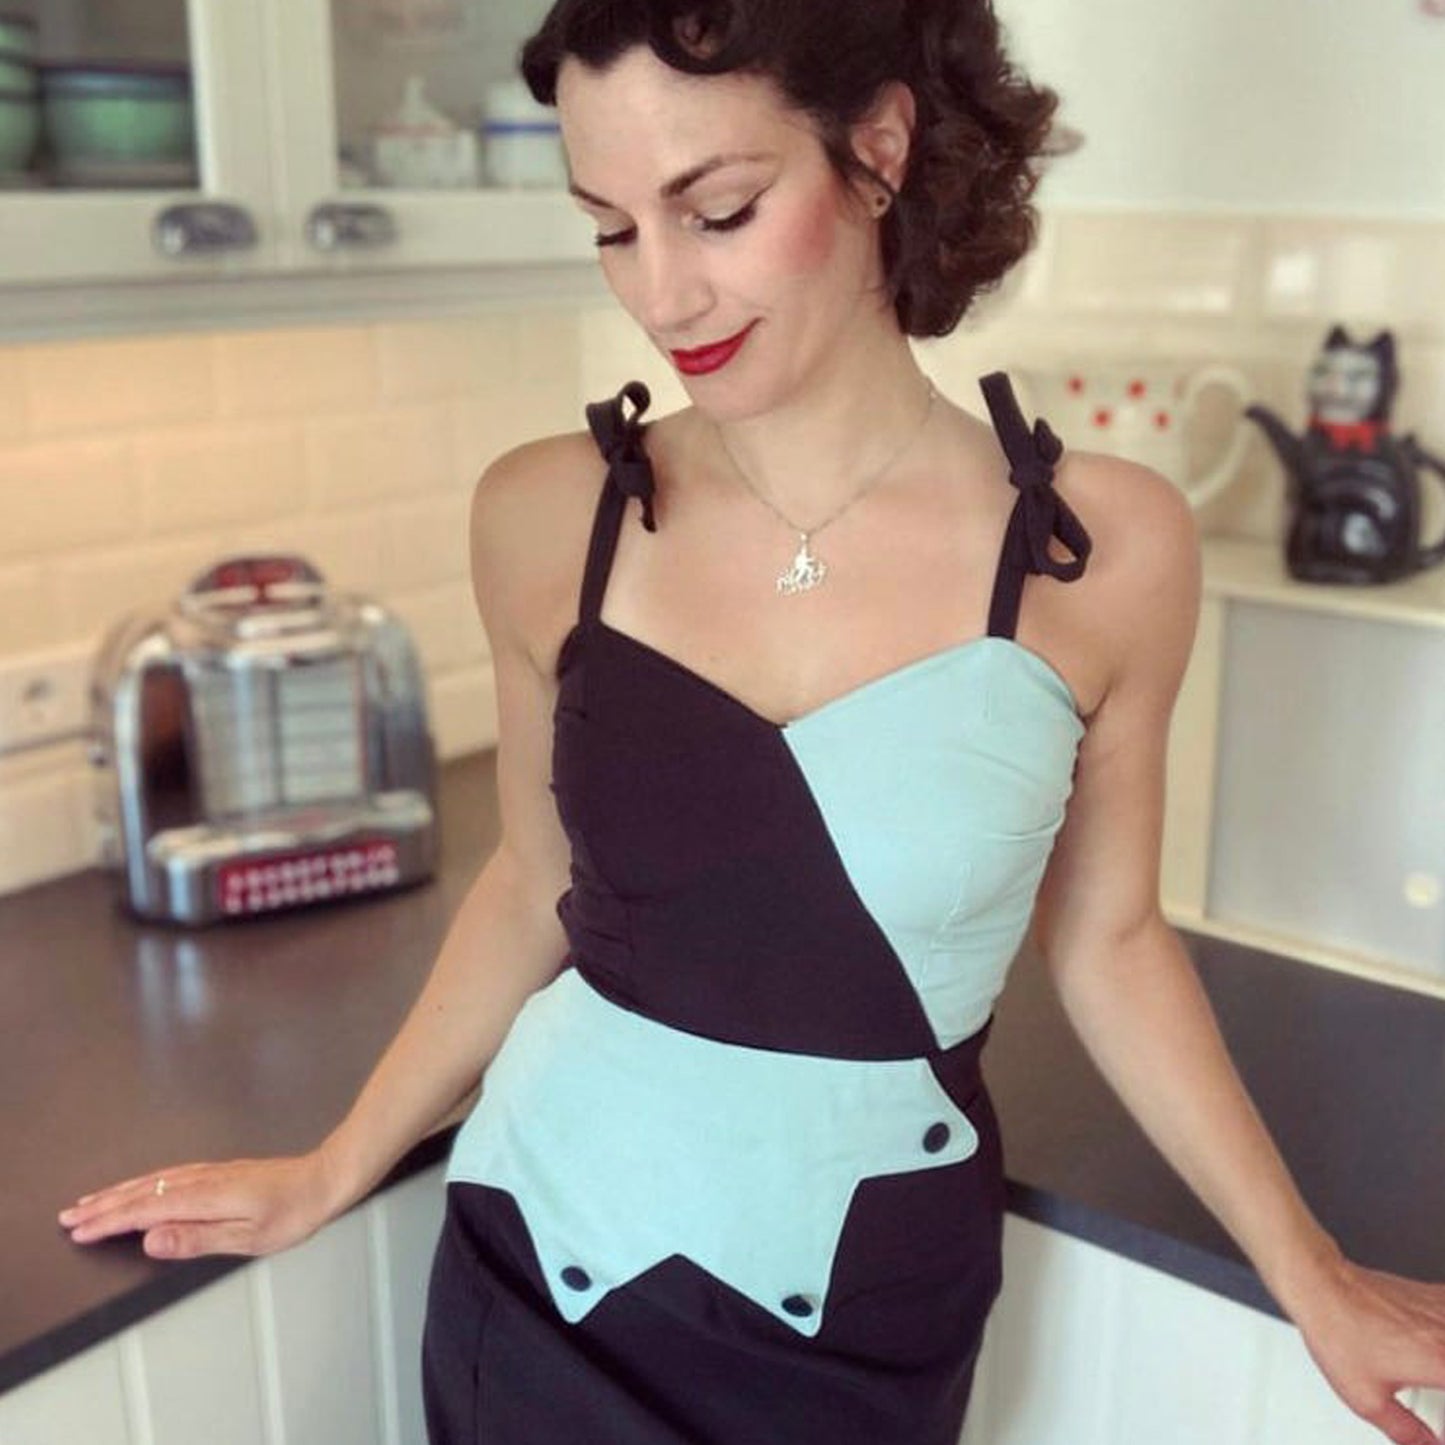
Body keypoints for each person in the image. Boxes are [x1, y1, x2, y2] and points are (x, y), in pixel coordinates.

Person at [59, 1, 1445, 1442]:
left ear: (878, 151)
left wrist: (1311, 1269)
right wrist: (338, 1159)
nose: (660, 298)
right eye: (608, 226)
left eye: (715, 210)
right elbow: (536, 883)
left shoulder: (1098, 551)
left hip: (869, 1304)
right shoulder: (544, 516)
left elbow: (1108, 937)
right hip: (539, 1275)